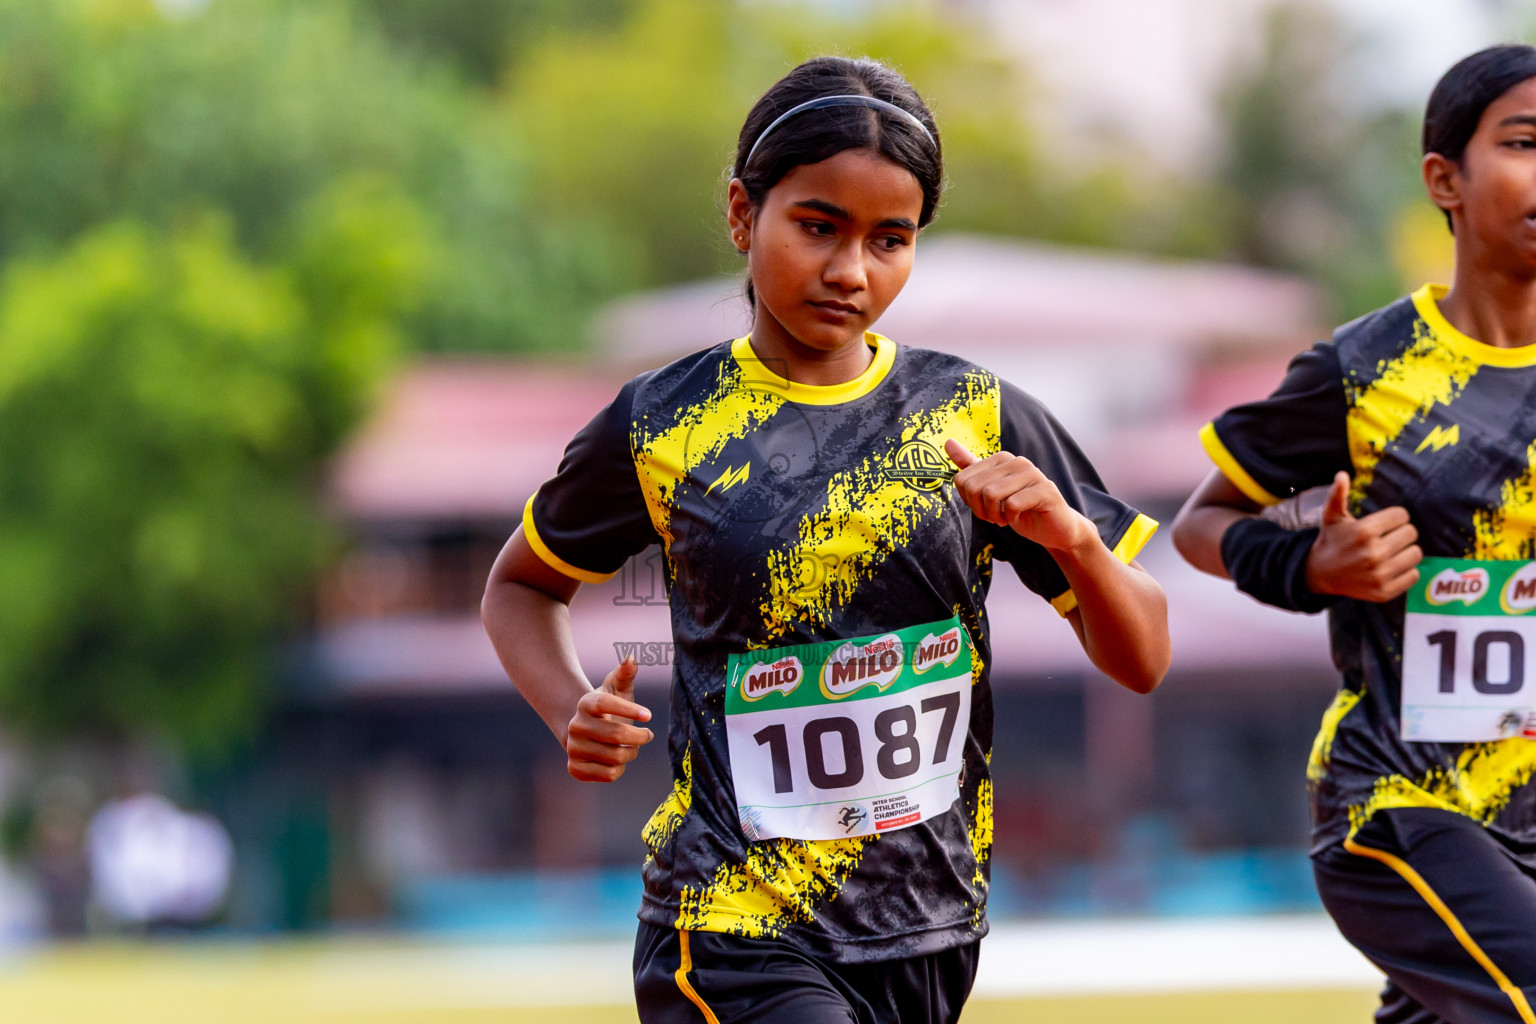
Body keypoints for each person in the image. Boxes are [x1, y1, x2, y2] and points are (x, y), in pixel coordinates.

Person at [484, 55, 1169, 1024]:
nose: (851, 271)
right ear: (742, 214)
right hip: (730, 924)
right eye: (818, 227)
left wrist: (1078, 546)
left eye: (891, 239)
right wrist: (569, 708)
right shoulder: (664, 422)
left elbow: (1143, 659)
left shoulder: (978, 413)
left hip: (927, 928)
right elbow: (519, 586)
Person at [1173, 44, 1536, 1024]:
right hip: (1401, 800)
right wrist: (1307, 562)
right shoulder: (1367, 368)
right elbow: (1200, 524)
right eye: (1526, 143)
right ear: (1445, 179)